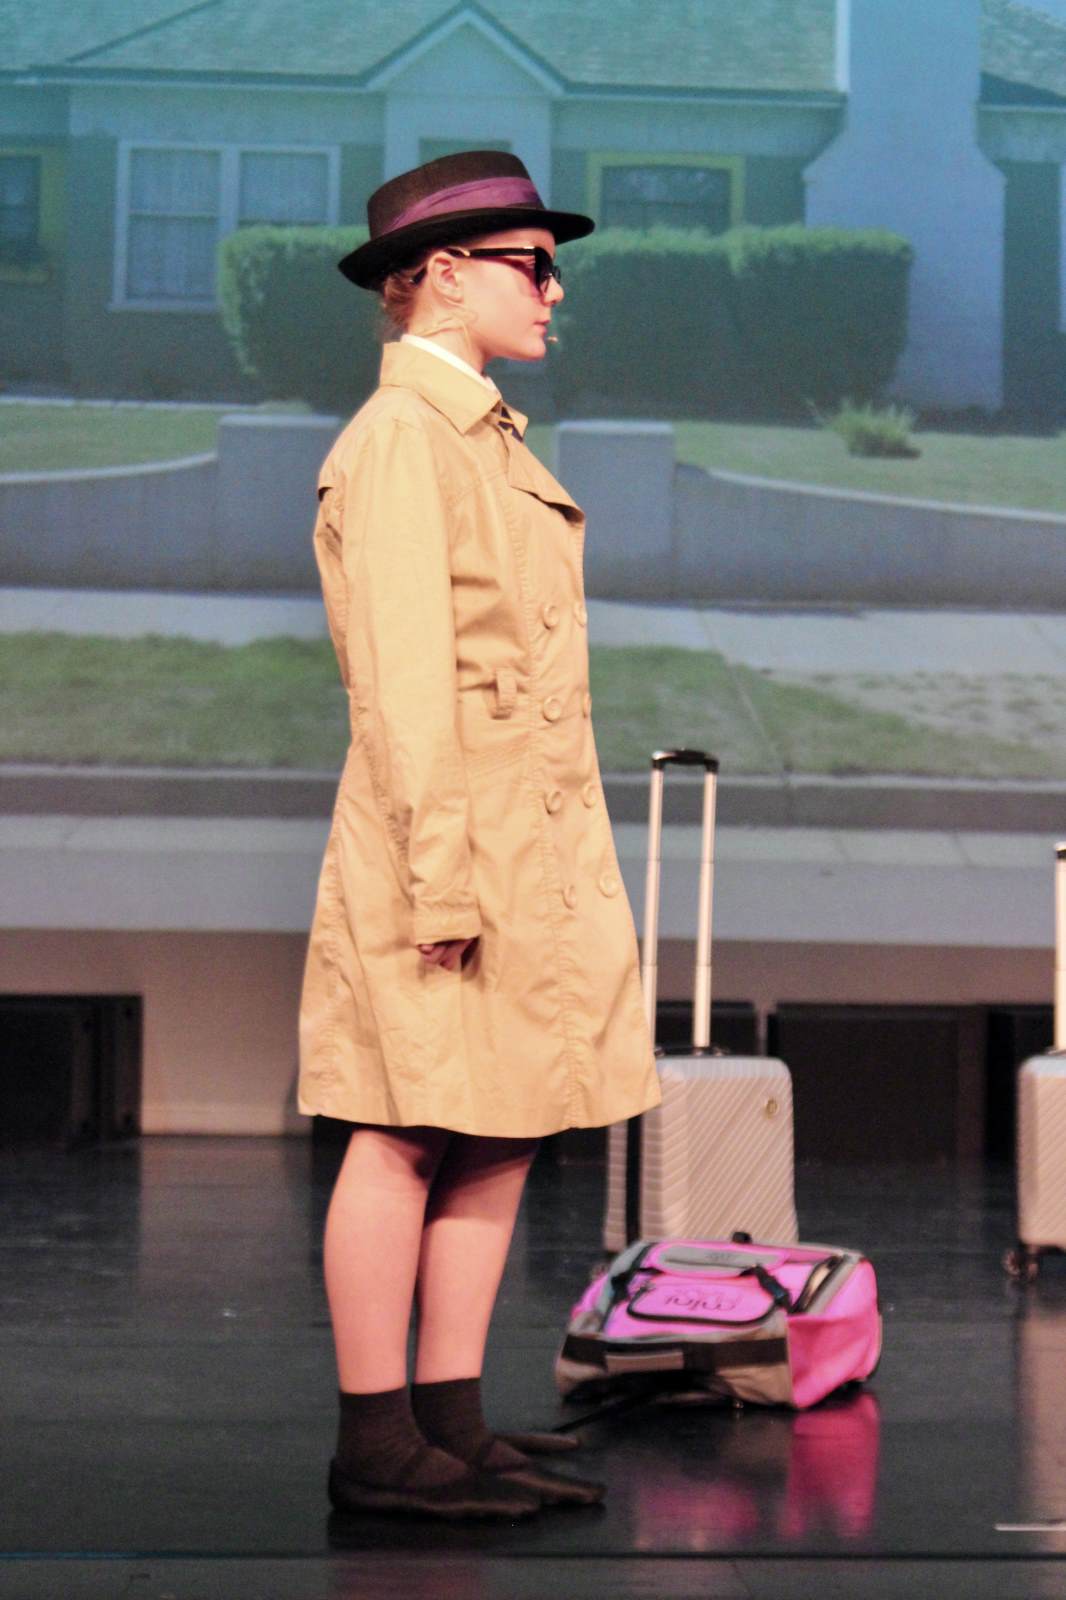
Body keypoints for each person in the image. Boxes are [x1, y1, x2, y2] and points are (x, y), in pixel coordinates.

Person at [298, 150, 661, 1521]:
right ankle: (375, 1441)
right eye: (533, 264)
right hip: (442, 840)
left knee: (498, 1127)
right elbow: (402, 687)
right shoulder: (404, 439)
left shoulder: (478, 433)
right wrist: (440, 881)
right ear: (442, 276)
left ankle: (447, 1419)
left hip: (522, 838)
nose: (554, 290)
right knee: (403, 1128)